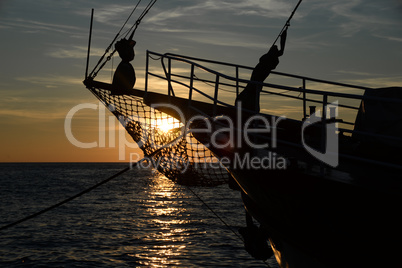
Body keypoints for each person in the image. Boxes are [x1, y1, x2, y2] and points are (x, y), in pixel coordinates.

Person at [235, 28, 287, 113]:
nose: (276, 49)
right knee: (252, 94)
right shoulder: (268, 61)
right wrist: (284, 35)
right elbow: (281, 52)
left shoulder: (267, 61)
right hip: (256, 80)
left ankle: (250, 110)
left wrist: (284, 34)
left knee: (252, 94)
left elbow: (281, 52)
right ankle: (250, 110)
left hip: (257, 80)